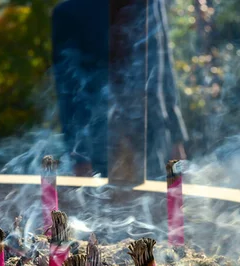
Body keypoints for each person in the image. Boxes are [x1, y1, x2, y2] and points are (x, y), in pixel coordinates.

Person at [52, 0, 189, 179]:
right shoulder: (70, 12)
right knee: (110, 205)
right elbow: (69, 92)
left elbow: (164, 70)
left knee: (158, 203)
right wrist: (80, 158)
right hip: (101, 148)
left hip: (153, 139)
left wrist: (176, 138)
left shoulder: (151, 3)